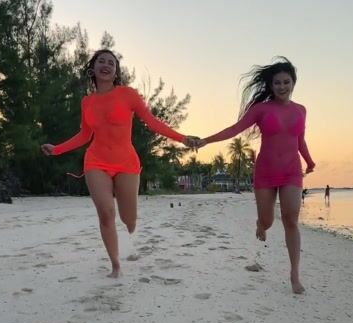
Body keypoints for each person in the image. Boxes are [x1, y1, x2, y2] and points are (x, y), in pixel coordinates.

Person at [42, 49, 197, 277]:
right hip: (96, 161)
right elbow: (85, 135)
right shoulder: (87, 102)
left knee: (128, 219)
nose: (106, 65)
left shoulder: (128, 95)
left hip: (126, 162)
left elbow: (153, 122)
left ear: (116, 72)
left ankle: (129, 224)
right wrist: (57, 149)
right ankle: (115, 265)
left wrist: (182, 138)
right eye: (101, 61)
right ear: (93, 68)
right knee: (106, 213)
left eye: (111, 63)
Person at [197, 57, 315, 294]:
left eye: (286, 82)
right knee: (268, 221)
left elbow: (299, 140)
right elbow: (235, 129)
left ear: (293, 82)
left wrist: (309, 161)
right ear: (270, 85)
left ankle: (294, 274)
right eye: (277, 83)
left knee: (291, 220)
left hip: (292, 171)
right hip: (266, 172)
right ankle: (261, 224)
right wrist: (206, 140)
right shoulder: (261, 109)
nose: (282, 86)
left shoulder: (301, 110)